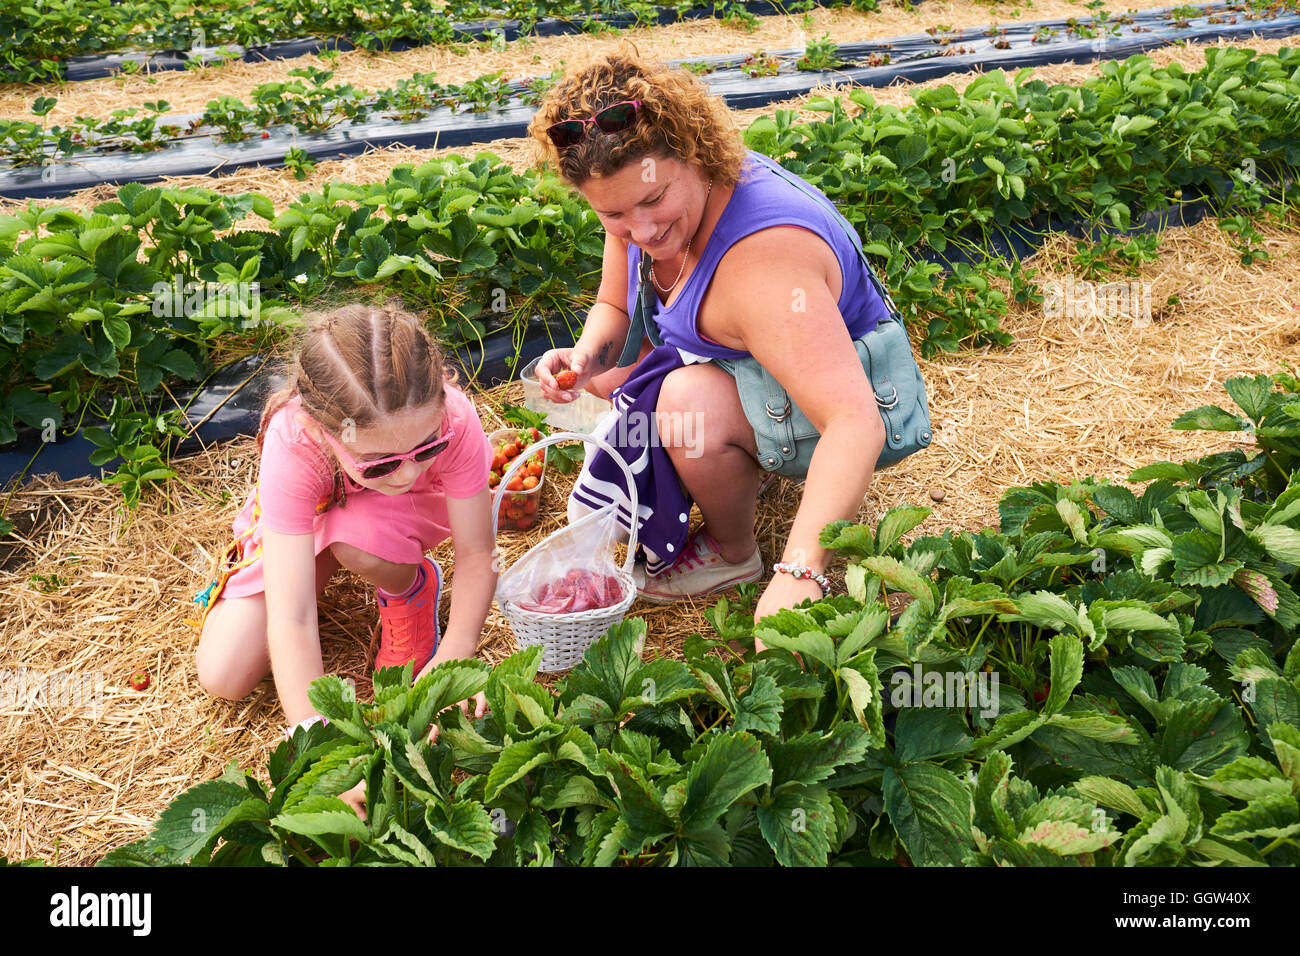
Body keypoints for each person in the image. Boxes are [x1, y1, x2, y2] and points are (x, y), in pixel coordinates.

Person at [526, 43, 892, 631]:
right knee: (616, 377)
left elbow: (855, 422)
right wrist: (586, 357)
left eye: (653, 201)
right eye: (613, 216)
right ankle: (738, 462)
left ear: (694, 154)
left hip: (846, 390)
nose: (640, 230)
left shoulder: (762, 267)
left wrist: (800, 573)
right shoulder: (636, 192)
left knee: (682, 406)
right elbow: (614, 304)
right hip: (756, 356)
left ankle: (733, 553)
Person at [194, 304, 494, 760]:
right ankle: (332, 545)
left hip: (390, 520)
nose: (408, 473)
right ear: (324, 430)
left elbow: (476, 554)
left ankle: (410, 586)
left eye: (426, 447)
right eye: (382, 461)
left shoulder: (455, 419)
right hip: (313, 510)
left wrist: (455, 654)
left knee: (359, 532)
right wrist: (315, 739)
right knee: (224, 674)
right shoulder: (295, 441)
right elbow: (290, 615)